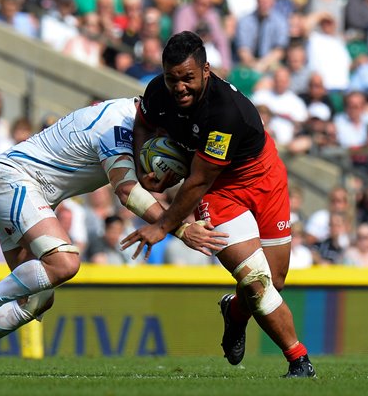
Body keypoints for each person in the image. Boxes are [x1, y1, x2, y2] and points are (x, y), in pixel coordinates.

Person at [0, 97, 226, 375]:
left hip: (19, 186)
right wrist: (180, 228)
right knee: (64, 263)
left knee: (36, 301)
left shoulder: (131, 121)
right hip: (14, 180)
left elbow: (139, 179)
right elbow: (126, 190)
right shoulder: (117, 126)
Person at [121, 31, 316, 378]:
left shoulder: (224, 113)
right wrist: (141, 166)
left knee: (275, 281)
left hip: (263, 176)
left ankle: (235, 313)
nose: (179, 87)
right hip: (219, 194)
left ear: (206, 71)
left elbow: (197, 180)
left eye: (187, 78)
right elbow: (142, 125)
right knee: (256, 281)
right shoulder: (157, 91)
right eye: (172, 78)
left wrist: (161, 226)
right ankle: (299, 360)